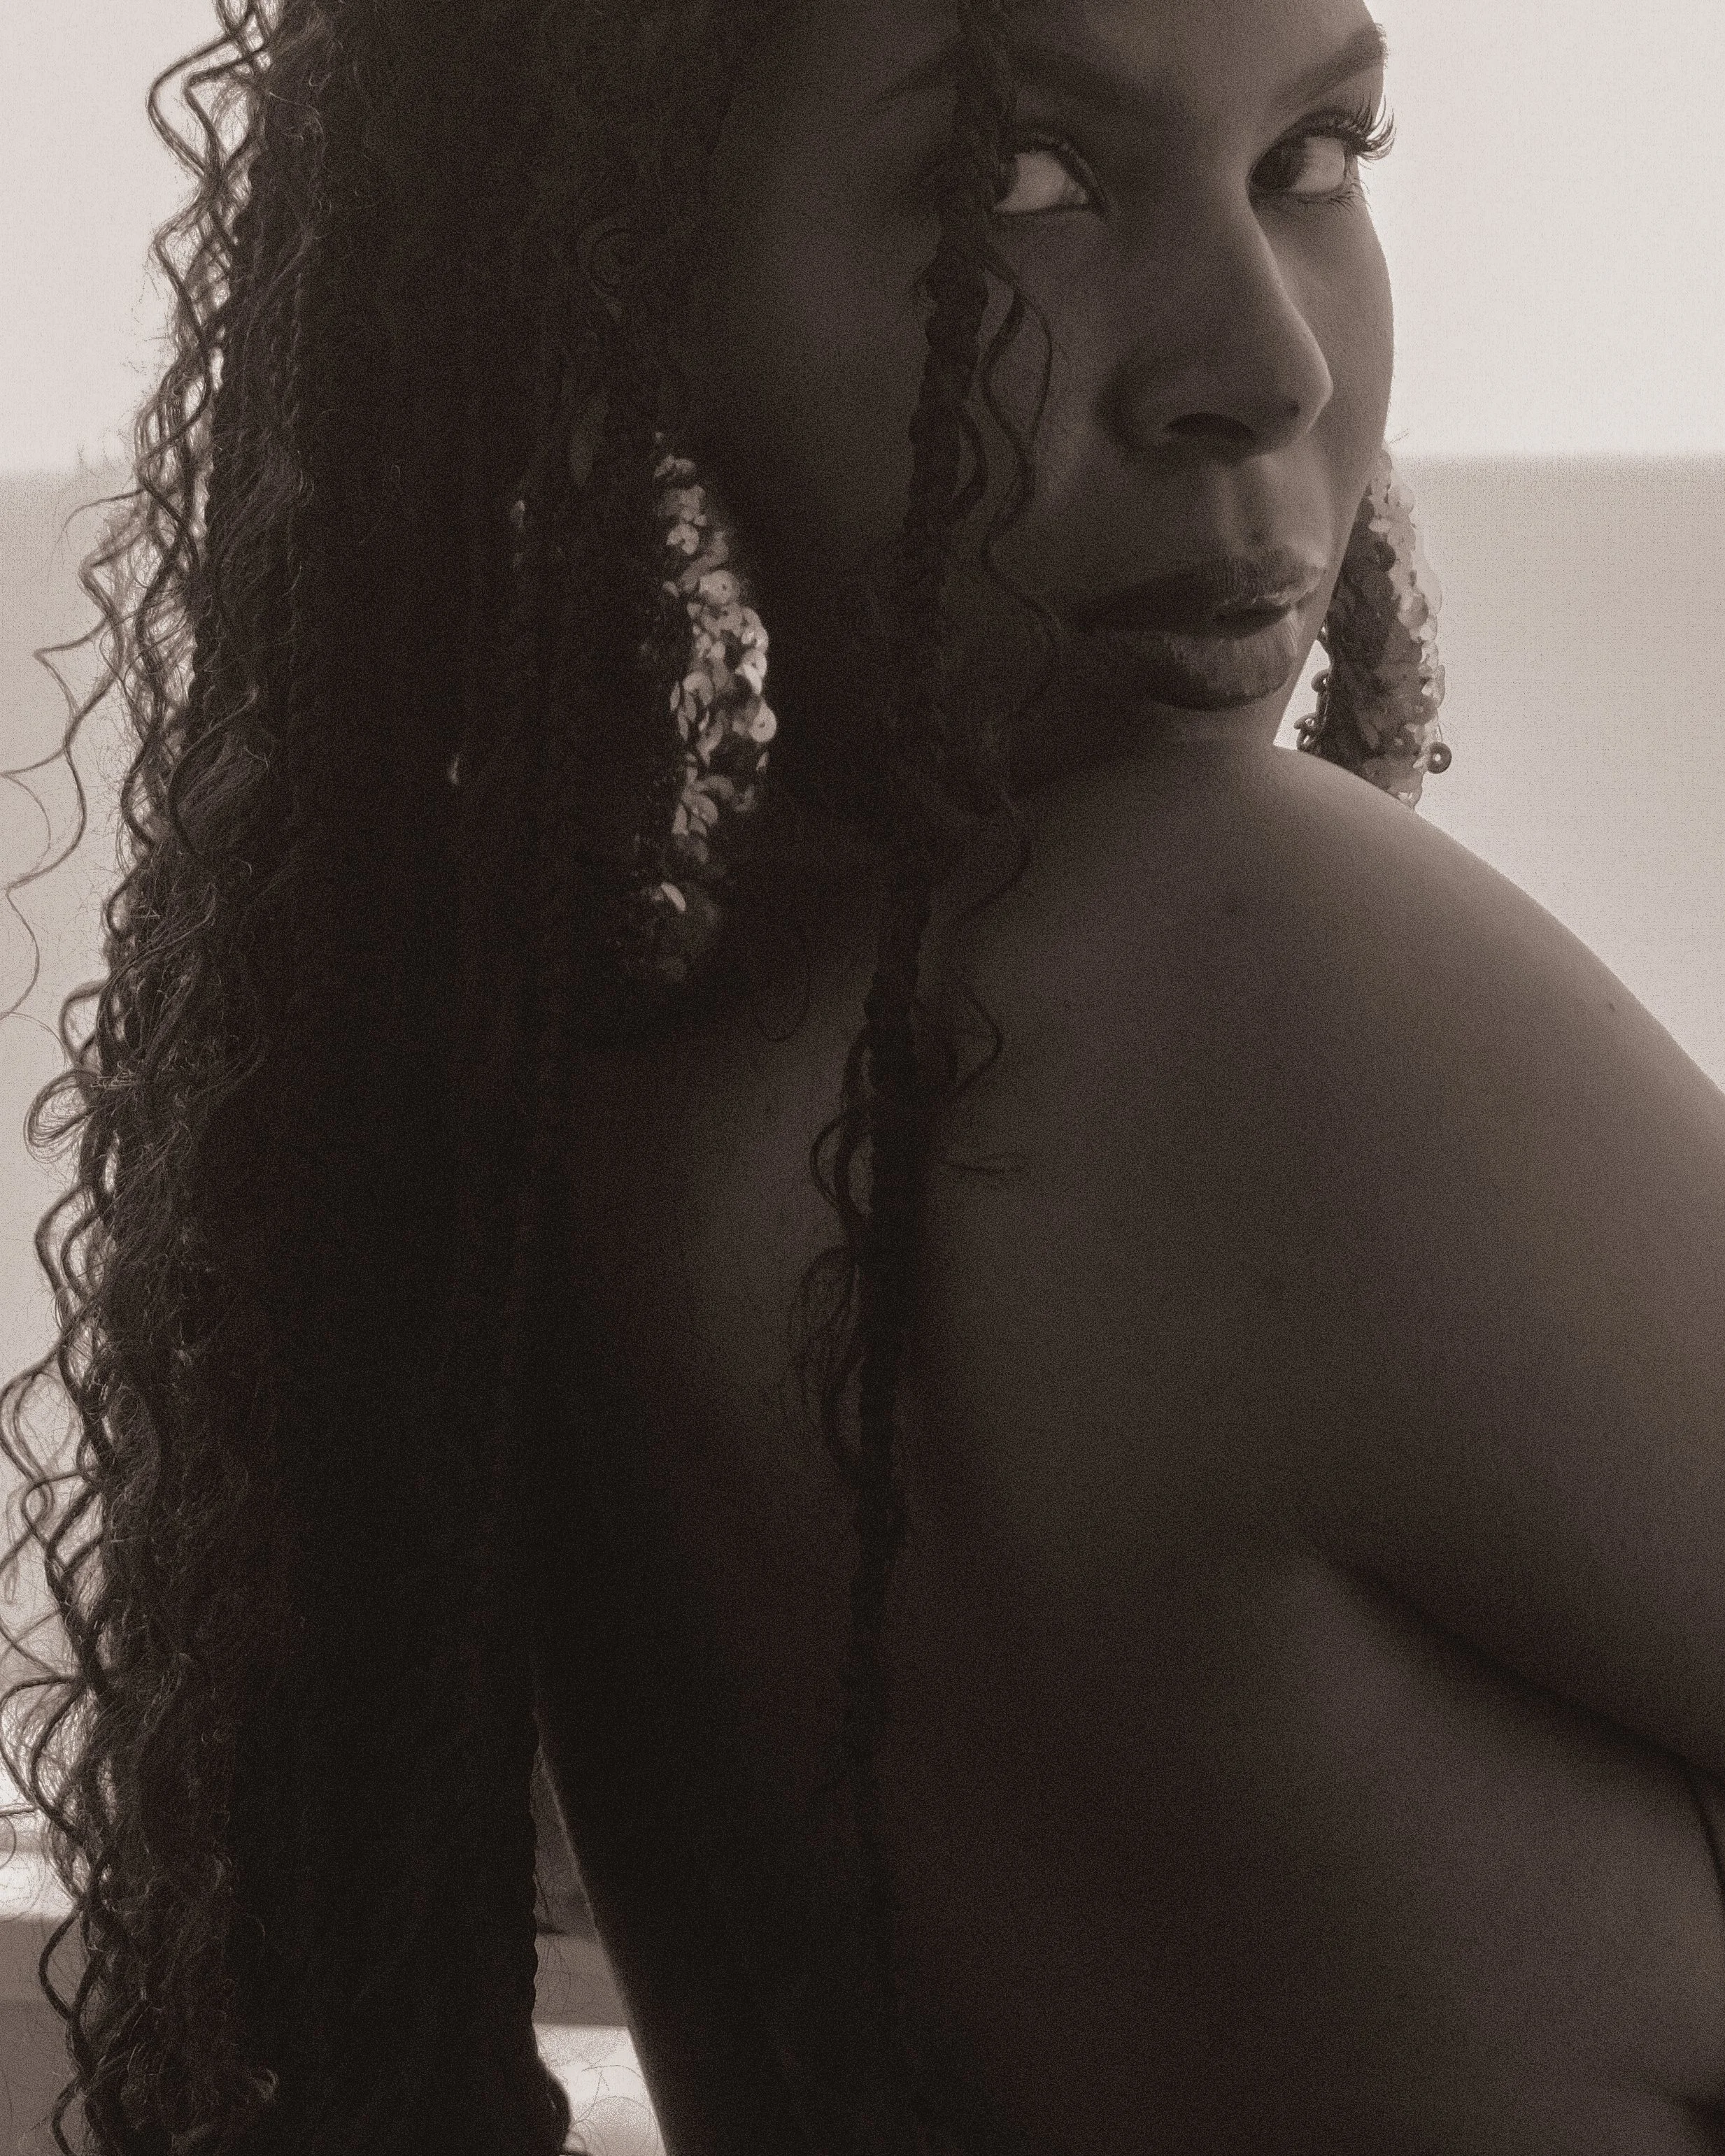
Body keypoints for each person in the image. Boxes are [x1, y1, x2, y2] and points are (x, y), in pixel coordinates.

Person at [3, 0, 1724, 2150]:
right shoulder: (1211, 980)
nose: (1259, 360)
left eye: (1317, 157)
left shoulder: (591, 1138)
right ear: (639, 298)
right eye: (1015, 181)